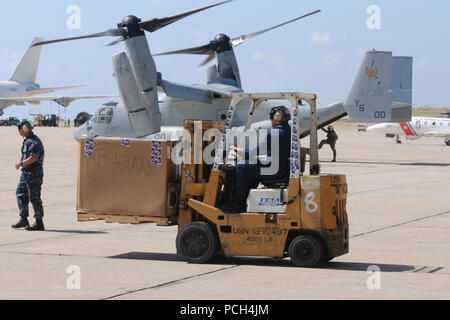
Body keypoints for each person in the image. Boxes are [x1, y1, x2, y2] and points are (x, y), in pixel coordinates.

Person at [225, 106, 292, 213]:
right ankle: (248, 199)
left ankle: (239, 203)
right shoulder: (290, 132)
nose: (271, 121)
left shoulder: (275, 133)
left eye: (271, 118)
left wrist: (238, 149)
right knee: (252, 167)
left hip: (276, 170)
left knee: (242, 166)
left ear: (276, 117)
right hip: (282, 168)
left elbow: (257, 150)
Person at [12, 119, 46, 231]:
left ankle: (39, 222)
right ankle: (23, 219)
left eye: (20, 129)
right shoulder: (28, 140)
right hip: (26, 173)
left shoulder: (33, 141)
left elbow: (34, 157)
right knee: (20, 193)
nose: (19, 131)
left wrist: (21, 163)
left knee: (34, 197)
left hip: (34, 173)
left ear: (25, 129)